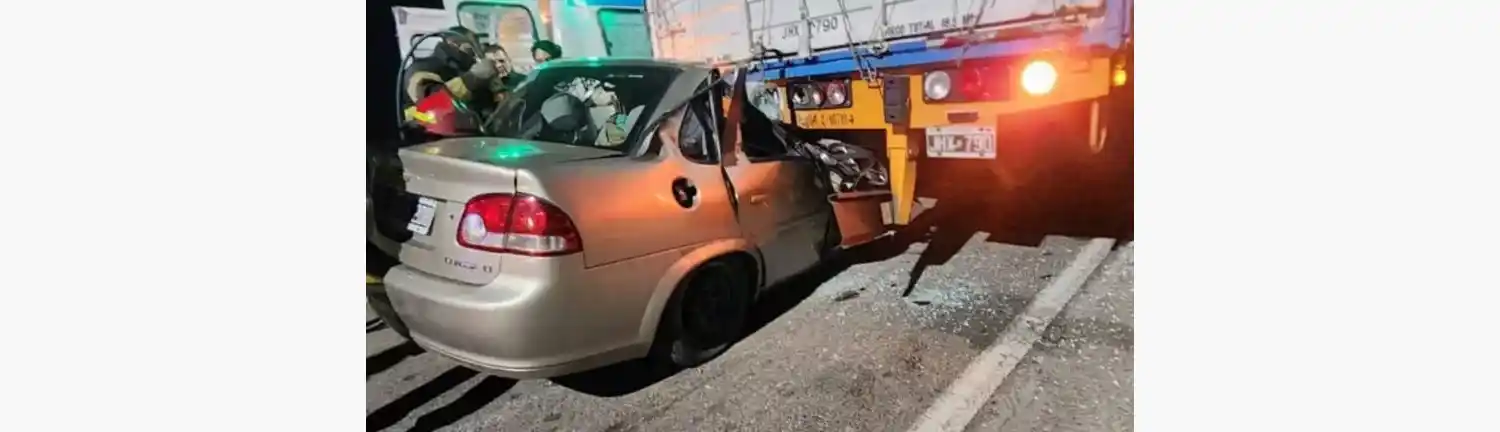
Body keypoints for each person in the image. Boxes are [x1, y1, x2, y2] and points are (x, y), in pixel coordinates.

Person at [402, 26, 498, 109]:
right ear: (452, 43)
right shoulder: (420, 70)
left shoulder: (459, 69)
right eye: (471, 47)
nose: (476, 53)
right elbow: (432, 103)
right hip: (430, 129)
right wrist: (472, 79)